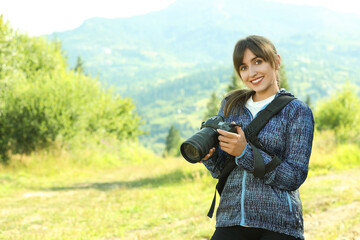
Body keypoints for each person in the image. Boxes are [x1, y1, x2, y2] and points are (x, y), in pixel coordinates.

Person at [201, 35, 314, 240]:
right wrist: (209, 158)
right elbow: (221, 170)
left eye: (257, 62)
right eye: (243, 67)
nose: (251, 73)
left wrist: (245, 152)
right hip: (231, 218)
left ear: (276, 61)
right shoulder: (231, 105)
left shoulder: (297, 111)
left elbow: (295, 176)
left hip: (279, 223)